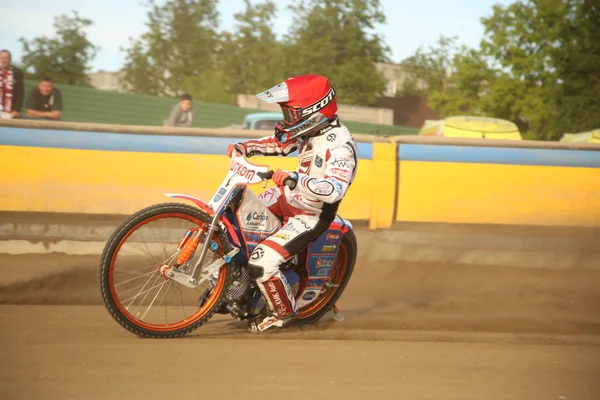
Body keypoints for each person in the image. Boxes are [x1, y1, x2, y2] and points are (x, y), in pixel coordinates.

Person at [226, 74, 358, 333]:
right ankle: (232, 285)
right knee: (235, 214)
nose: (287, 120)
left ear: (314, 113)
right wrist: (245, 147)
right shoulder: (311, 131)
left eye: (291, 114)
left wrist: (296, 179)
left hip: (310, 215)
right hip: (285, 198)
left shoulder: (341, 146)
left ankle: (281, 313)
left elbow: (334, 190)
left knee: (261, 263)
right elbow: (278, 144)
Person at [0, 49, 24, 119]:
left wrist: (16, 110)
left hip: (10, 110)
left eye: (6, 58)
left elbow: (20, 93)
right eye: (2, 58)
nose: (4, 60)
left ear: (10, 59)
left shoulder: (17, 72)